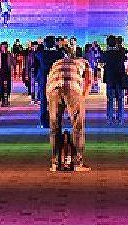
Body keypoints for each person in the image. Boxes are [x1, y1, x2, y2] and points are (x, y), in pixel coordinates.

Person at [46, 42, 93, 172]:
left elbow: (48, 81)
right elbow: (89, 81)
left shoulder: (56, 63)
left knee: (54, 126)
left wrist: (49, 101)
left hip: (54, 90)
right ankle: (78, 162)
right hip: (72, 88)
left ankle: (55, 163)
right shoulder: (84, 63)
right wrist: (82, 98)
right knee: (77, 125)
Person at [33, 35, 64, 129]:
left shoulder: (40, 54)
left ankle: (44, 122)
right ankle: (55, 121)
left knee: (43, 101)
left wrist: (36, 78)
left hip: (43, 80)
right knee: (56, 101)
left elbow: (34, 67)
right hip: (56, 80)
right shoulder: (59, 54)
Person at [102, 35, 127, 124]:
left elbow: (102, 61)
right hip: (119, 79)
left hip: (110, 79)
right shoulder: (120, 53)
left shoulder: (106, 54)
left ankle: (110, 118)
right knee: (120, 99)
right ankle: (120, 118)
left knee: (110, 100)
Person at [0, 42, 13, 107]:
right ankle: (3, 100)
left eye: (6, 47)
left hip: (8, 71)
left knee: (8, 86)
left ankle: (7, 99)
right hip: (1, 72)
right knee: (1, 86)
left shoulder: (9, 54)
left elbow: (13, 63)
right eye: (3, 47)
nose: (4, 48)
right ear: (1, 47)